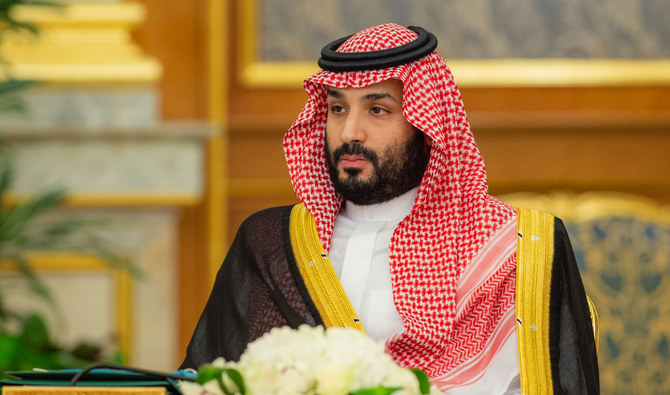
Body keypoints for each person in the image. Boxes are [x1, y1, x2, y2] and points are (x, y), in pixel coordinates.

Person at [181, 24, 599, 394]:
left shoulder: (515, 248)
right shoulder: (272, 241)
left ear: (426, 125)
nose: (349, 133)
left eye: (377, 110)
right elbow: (206, 381)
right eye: (337, 108)